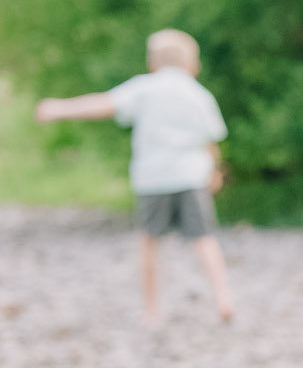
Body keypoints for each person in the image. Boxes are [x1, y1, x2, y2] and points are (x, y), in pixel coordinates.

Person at [36, 28, 237, 325]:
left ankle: (151, 309)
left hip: (153, 179)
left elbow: (103, 105)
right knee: (204, 239)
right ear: (193, 64)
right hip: (191, 178)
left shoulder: (145, 87)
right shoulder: (198, 94)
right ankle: (223, 298)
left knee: (149, 241)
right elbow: (210, 140)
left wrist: (60, 108)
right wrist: (215, 171)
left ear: (153, 62)